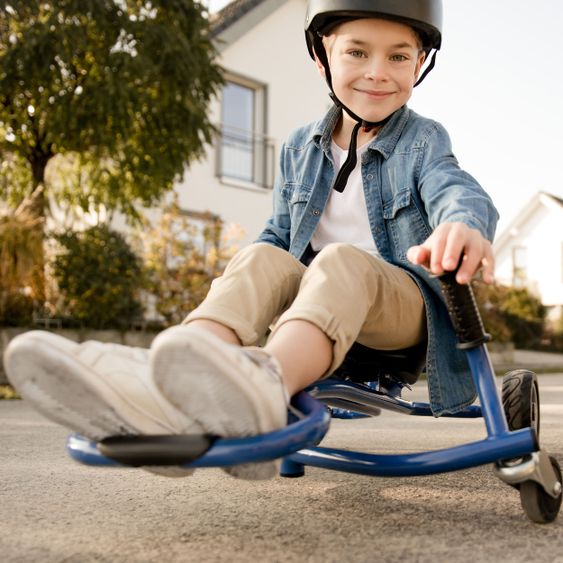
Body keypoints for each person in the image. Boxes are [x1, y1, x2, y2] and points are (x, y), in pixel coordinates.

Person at [4, 0, 498, 480]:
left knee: (341, 259)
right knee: (263, 254)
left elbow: (454, 187)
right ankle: (169, 385)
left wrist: (463, 224)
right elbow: (278, 237)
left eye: (399, 56)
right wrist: (242, 278)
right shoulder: (299, 147)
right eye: (356, 52)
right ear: (322, 55)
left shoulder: (423, 139)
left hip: (399, 313)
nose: (377, 72)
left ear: (421, 64)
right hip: (314, 312)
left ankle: (264, 391)